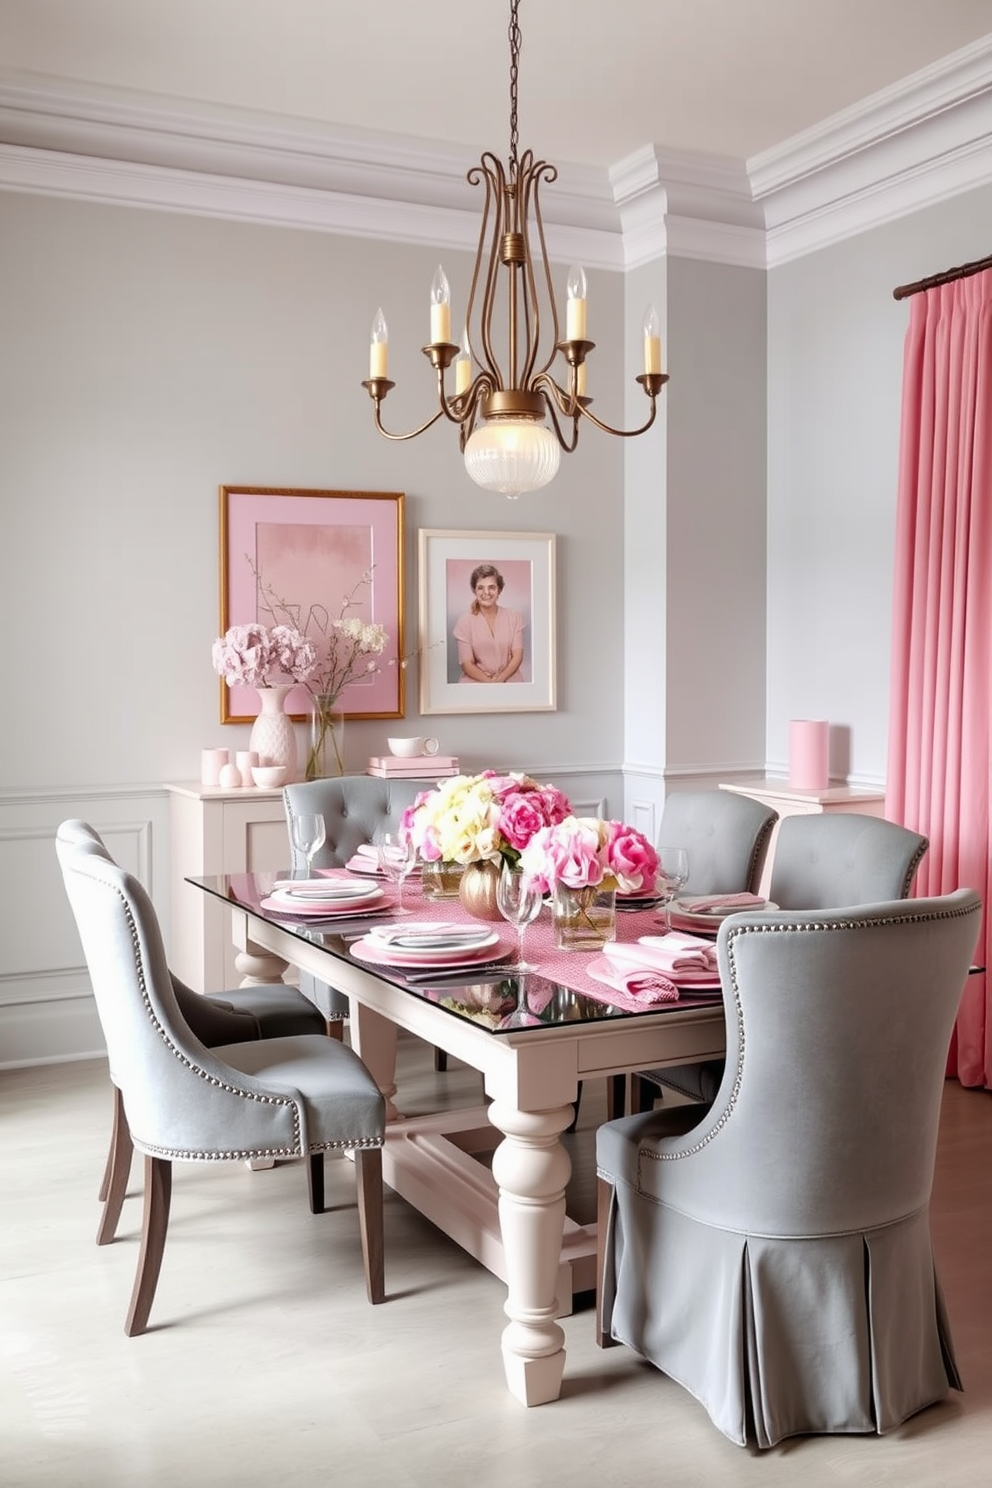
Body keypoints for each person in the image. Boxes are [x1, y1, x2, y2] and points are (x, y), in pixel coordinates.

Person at [453, 564, 525, 683]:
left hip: (510, 680)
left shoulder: (515, 617)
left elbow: (517, 656)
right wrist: (490, 683)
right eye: (480, 588)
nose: (486, 592)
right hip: (476, 683)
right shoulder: (464, 622)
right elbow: (467, 664)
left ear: (499, 590)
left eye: (492, 587)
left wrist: (501, 679)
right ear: (474, 590)